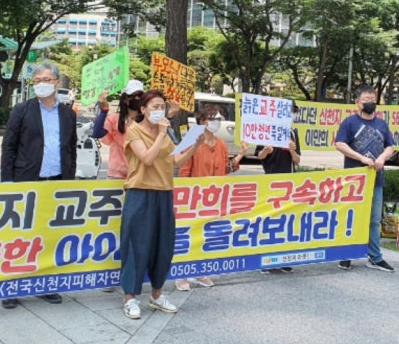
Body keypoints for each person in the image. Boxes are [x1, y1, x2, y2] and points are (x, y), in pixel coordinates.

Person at [0, 62, 77, 309]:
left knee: (49, 235)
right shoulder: (22, 110)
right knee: (20, 236)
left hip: (56, 183)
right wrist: (8, 182)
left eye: (46, 79)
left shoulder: (68, 114)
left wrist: (69, 180)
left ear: (57, 83)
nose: (41, 84)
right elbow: (8, 147)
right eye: (36, 81)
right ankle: (12, 286)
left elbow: (70, 149)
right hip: (26, 181)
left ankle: (45, 285)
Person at [121, 89, 202, 320]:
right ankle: (130, 298)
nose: (158, 111)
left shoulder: (165, 133)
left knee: (163, 246)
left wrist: (194, 146)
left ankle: (156, 295)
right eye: (154, 107)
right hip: (140, 192)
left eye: (161, 107)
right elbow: (146, 159)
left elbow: (176, 160)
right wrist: (161, 134)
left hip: (164, 192)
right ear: (143, 110)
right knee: (136, 246)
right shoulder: (134, 131)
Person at [175, 105, 248, 291]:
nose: (216, 123)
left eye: (219, 119)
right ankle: (182, 275)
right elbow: (182, 170)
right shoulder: (191, 139)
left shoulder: (222, 144)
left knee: (206, 236)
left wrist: (240, 155)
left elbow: (225, 169)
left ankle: (200, 272)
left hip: (214, 199)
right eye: (212, 119)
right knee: (189, 236)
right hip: (194, 198)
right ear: (202, 121)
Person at [335, 85, 396, 273]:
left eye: (372, 99)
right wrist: (361, 158)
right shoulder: (349, 123)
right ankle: (345, 255)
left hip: (376, 180)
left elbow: (391, 146)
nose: (370, 102)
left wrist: (382, 157)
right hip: (354, 180)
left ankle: (375, 257)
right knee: (351, 218)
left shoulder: (382, 124)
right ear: (357, 102)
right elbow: (339, 143)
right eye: (366, 99)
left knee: (374, 219)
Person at [254, 101, 301, 273]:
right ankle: (264, 259)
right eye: (289, 111)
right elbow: (259, 156)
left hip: (288, 183)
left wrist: (292, 151)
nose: (292, 115)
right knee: (268, 220)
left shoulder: (293, 133)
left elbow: (297, 160)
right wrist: (267, 150)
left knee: (285, 221)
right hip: (270, 183)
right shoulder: (267, 130)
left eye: (294, 112)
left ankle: (282, 258)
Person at [92, 80, 145, 179]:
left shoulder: (147, 121)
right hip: (116, 175)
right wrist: (104, 110)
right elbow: (97, 133)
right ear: (125, 99)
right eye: (134, 96)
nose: (138, 99)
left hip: (139, 175)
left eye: (141, 96)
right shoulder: (114, 119)